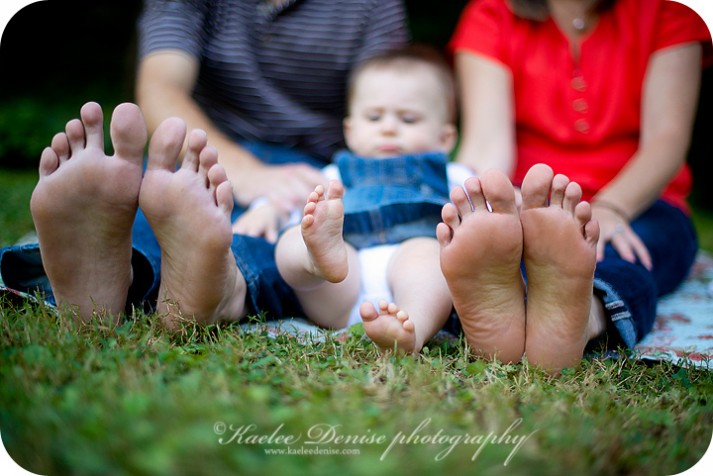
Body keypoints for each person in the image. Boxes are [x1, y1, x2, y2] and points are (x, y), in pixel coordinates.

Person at [0, 0, 409, 326]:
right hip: (202, 156)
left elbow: (389, 95)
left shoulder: (369, 5)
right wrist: (245, 171)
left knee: (297, 243)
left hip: (310, 172)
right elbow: (161, 85)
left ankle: (141, 279)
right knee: (168, 213)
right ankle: (163, 279)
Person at [439, 0, 712, 372]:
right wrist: (501, 200)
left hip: (641, 203)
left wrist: (612, 208)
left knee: (626, 253)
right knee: (502, 250)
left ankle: (579, 319)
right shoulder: (492, 12)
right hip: (530, 201)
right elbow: (488, 143)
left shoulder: (670, 12)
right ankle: (521, 312)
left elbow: (666, 140)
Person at [271, 46, 472, 354]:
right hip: (340, 281)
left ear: (445, 139)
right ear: (350, 131)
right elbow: (290, 196)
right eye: (374, 117)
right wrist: (267, 209)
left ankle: (410, 328)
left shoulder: (453, 175)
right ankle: (314, 258)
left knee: (428, 257)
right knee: (291, 241)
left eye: (408, 119)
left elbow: (484, 204)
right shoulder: (332, 173)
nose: (388, 128)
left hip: (411, 275)